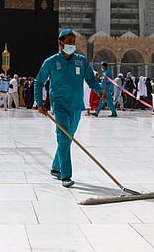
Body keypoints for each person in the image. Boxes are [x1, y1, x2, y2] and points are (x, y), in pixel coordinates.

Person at [34, 29, 104, 188]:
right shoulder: (51, 62)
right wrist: (39, 103)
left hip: (76, 105)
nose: (72, 44)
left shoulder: (81, 61)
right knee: (64, 138)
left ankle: (55, 167)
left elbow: (91, 80)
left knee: (67, 139)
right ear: (60, 43)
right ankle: (66, 175)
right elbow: (39, 82)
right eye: (69, 41)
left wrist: (100, 91)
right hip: (59, 106)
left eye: (74, 41)